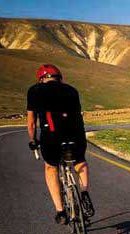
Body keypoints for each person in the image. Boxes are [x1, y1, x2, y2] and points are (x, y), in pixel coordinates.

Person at [27, 64, 95, 224]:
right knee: (80, 161)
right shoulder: (72, 90)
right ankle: (84, 192)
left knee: (51, 167)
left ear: (41, 79)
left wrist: (33, 140)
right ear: (60, 78)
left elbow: (31, 122)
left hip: (51, 137)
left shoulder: (34, 91)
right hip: (76, 135)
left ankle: (60, 211)